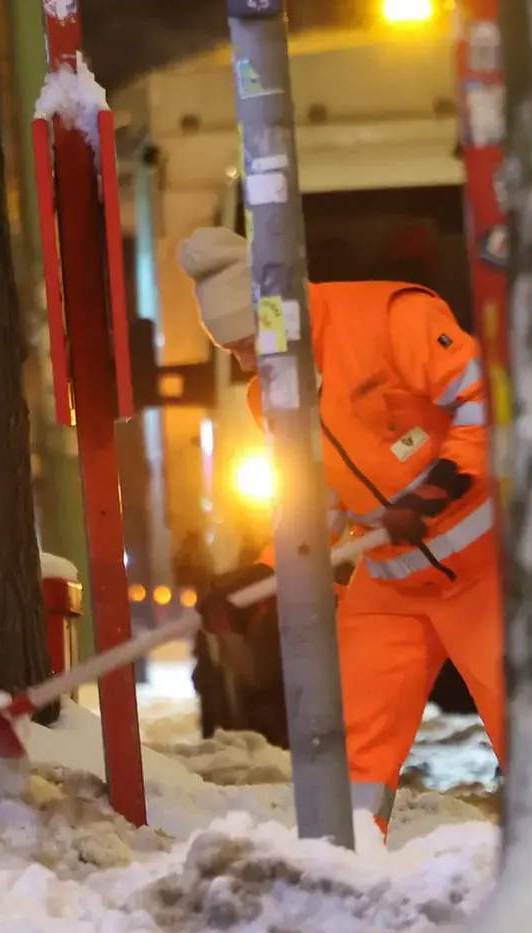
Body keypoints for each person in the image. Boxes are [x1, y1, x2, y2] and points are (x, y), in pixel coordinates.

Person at [177, 227, 503, 837]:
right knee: (353, 741)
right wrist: (268, 570)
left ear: (280, 315)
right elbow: (313, 502)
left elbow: (486, 398)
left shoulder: (391, 318)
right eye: (232, 350)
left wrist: (440, 485)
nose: (246, 363)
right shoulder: (270, 395)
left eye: (249, 342)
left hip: (489, 573)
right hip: (392, 584)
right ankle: (348, 861)